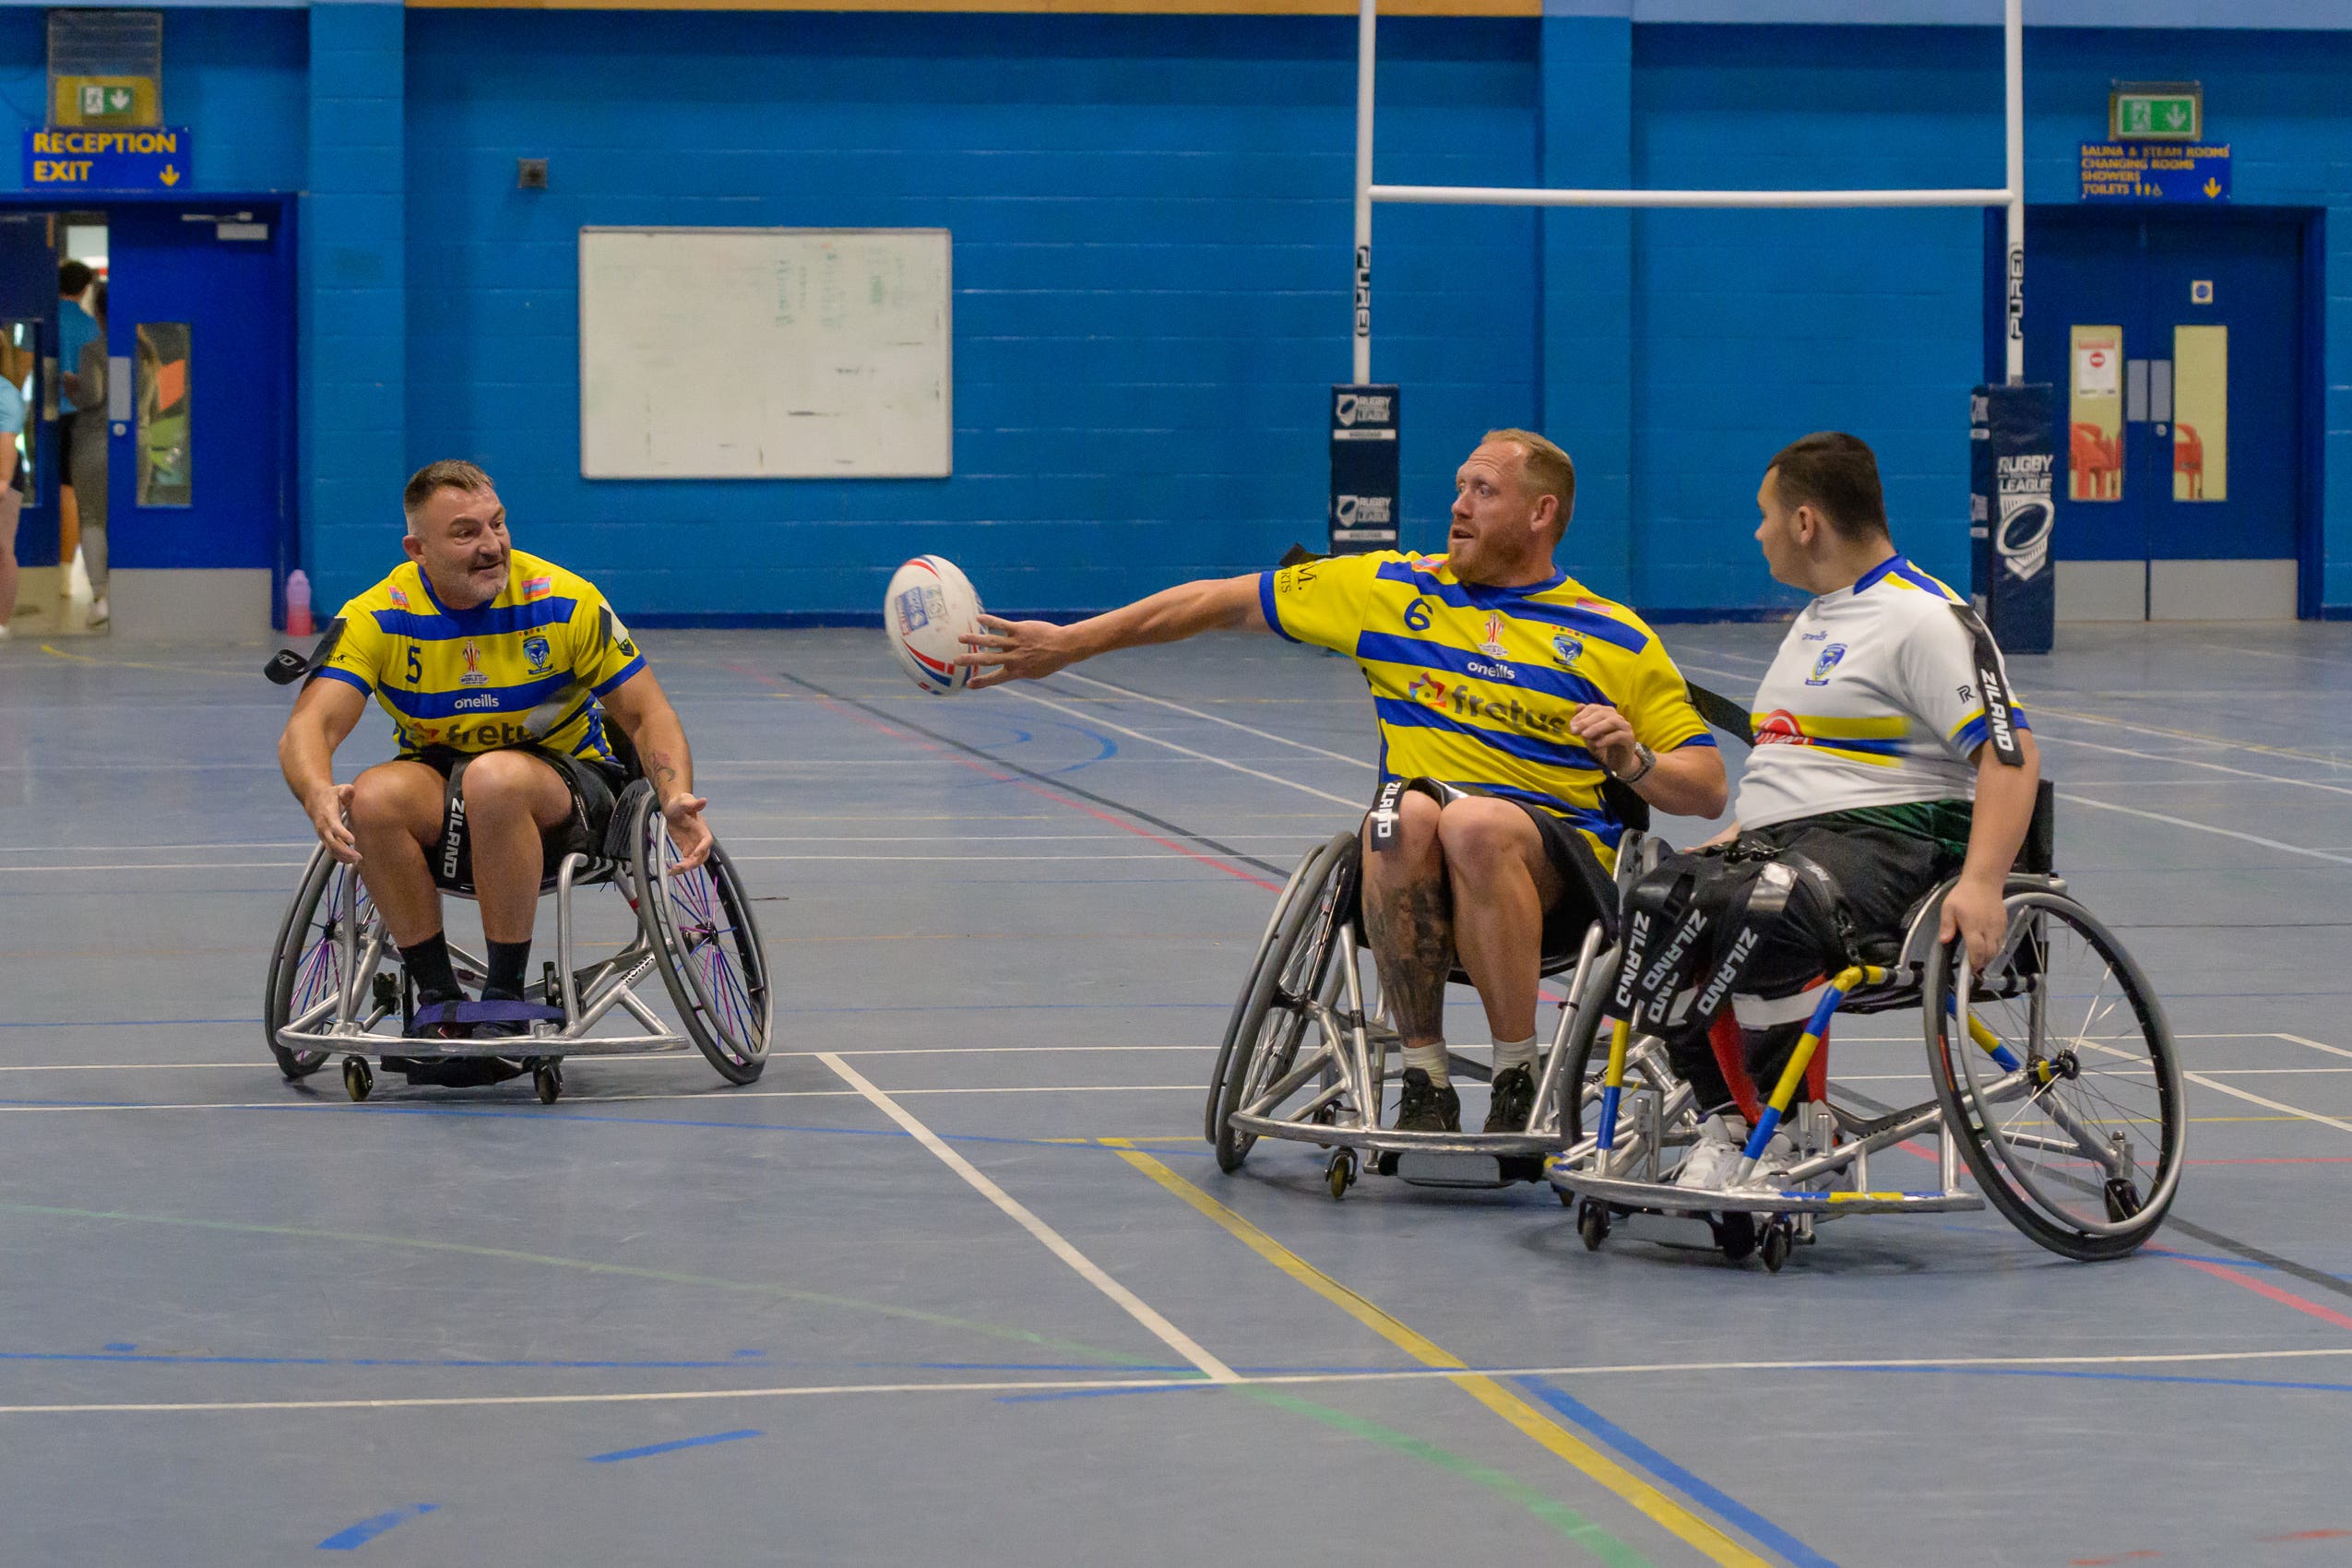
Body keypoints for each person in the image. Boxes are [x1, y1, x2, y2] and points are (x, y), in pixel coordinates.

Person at [958, 429, 1728, 1134]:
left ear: (1541, 513)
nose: (1458, 506)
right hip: (1415, 861)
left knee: (1473, 824)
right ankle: (1424, 1077)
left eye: (1483, 492)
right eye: (1459, 487)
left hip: (1554, 873)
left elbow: (1707, 788)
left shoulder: (1614, 636)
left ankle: (1517, 1072)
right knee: (1402, 819)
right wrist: (1070, 643)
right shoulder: (1388, 590)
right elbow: (1215, 601)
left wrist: (1634, 760)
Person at [1616, 431, 2042, 1189]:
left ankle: (1793, 1140)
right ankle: (1733, 1124)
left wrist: (1981, 883)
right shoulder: (1816, 620)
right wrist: (1734, 839)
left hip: (1895, 848)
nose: (1757, 532)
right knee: (1660, 899)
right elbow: (1796, 767)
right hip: (1793, 845)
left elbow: (2010, 758)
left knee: (1769, 907)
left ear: (1805, 522)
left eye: (1764, 515)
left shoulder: (1924, 619)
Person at [276, 460, 713, 1060]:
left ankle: (504, 994)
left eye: (497, 525)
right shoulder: (380, 614)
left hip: (568, 786)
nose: (491, 546)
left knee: (494, 777)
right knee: (372, 797)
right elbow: (311, 723)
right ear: (417, 549)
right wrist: (318, 791)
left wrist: (674, 794)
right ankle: (437, 998)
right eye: (465, 533)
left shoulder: (565, 600)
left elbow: (646, 715)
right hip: (443, 783)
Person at [59, 279, 107, 627]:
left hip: (93, 442)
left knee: (92, 518)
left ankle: (101, 596)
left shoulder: (94, 350)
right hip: (140, 446)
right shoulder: (147, 350)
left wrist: (73, 388)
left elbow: (93, 397)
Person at [53, 261, 95, 604]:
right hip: (77, 419)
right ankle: (66, 574)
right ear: (84, 289)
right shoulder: (90, 326)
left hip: (41, 418)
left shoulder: (46, 317)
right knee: (70, 492)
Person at [0, 341, 26, 639]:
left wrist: (4, 480)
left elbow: (6, 440)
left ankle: (2, 621)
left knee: (3, 547)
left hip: (4, 473)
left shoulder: (6, 394)